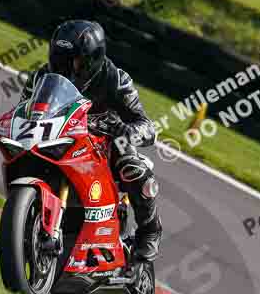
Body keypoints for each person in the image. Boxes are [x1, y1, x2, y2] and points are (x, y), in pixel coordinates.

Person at [15, 19, 162, 261]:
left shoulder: (115, 80)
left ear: (93, 59)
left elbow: (148, 127)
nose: (65, 68)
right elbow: (24, 111)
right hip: (58, 138)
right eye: (59, 60)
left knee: (132, 166)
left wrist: (125, 130)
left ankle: (150, 230)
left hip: (103, 144)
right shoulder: (41, 78)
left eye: (73, 61)